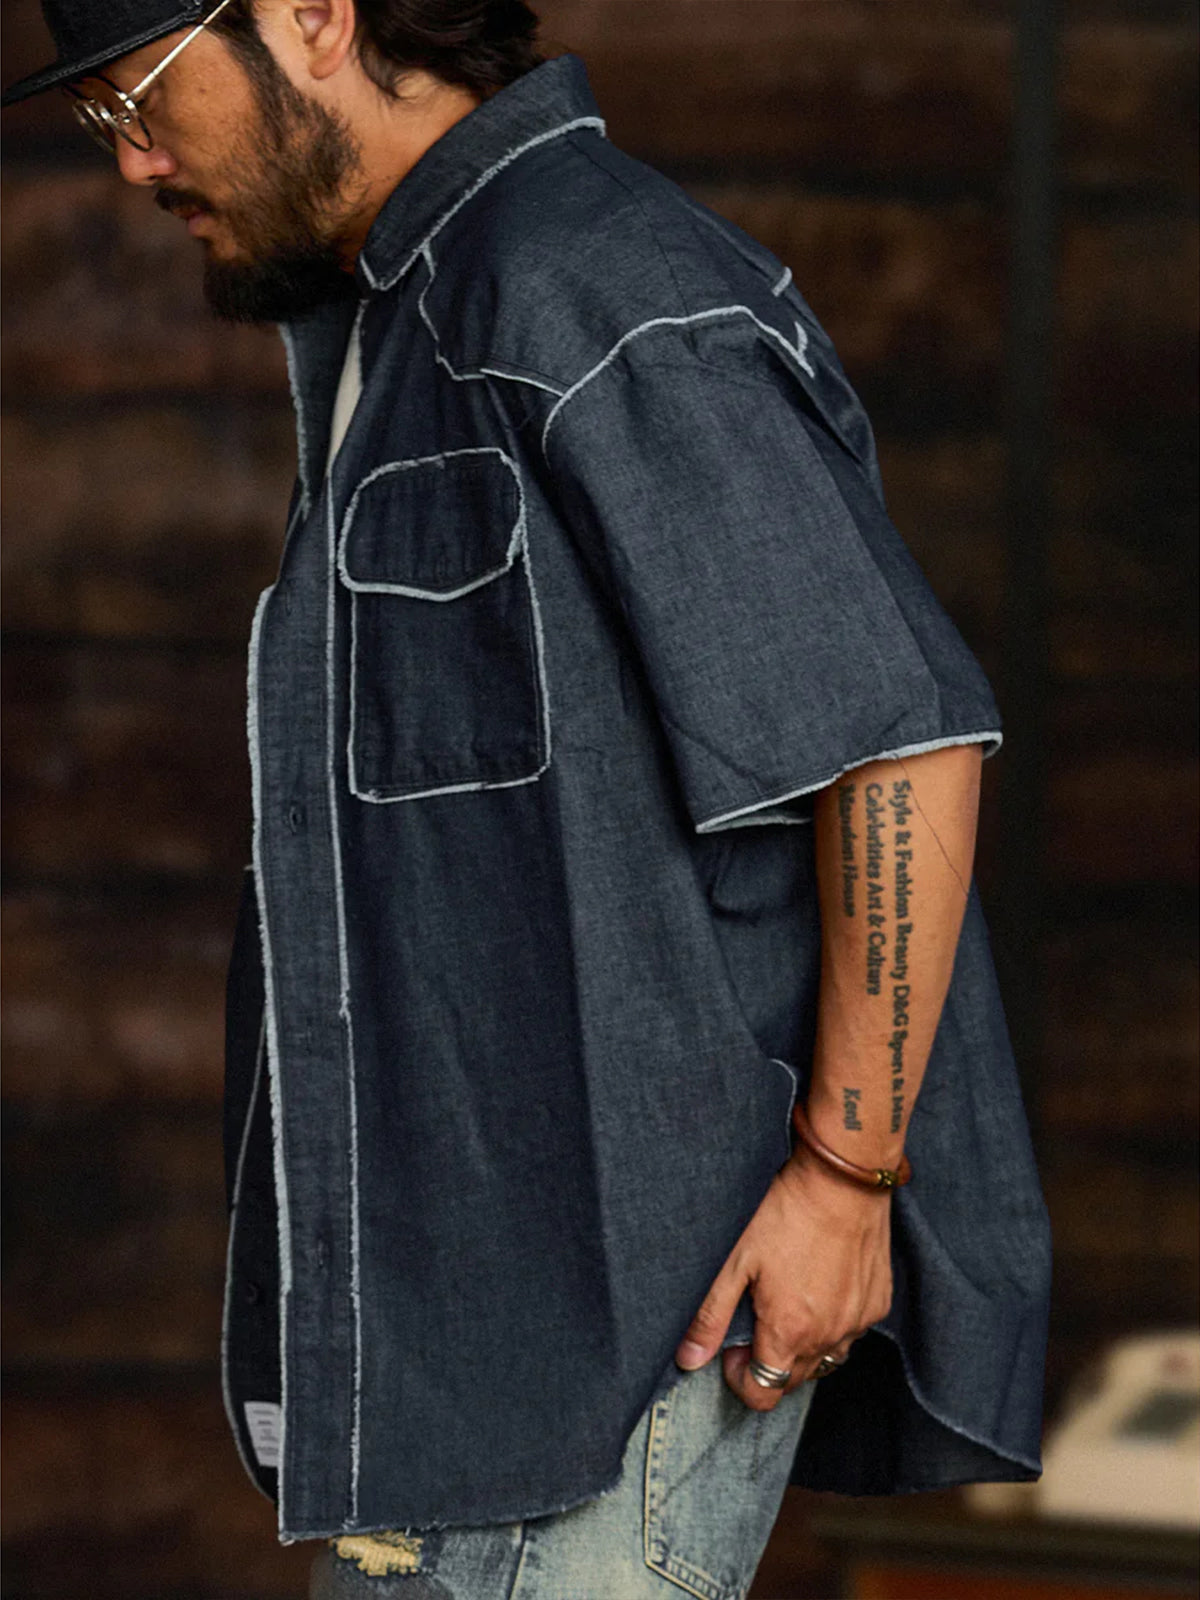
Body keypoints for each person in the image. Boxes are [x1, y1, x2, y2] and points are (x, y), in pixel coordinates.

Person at [4, 4, 1052, 1595]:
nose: (135, 159)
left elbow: (895, 745)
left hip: (610, 1376)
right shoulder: (415, 315)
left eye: (138, 96)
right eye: (101, 121)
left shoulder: (590, 286)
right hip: (451, 1381)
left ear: (314, 16)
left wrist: (846, 1184)